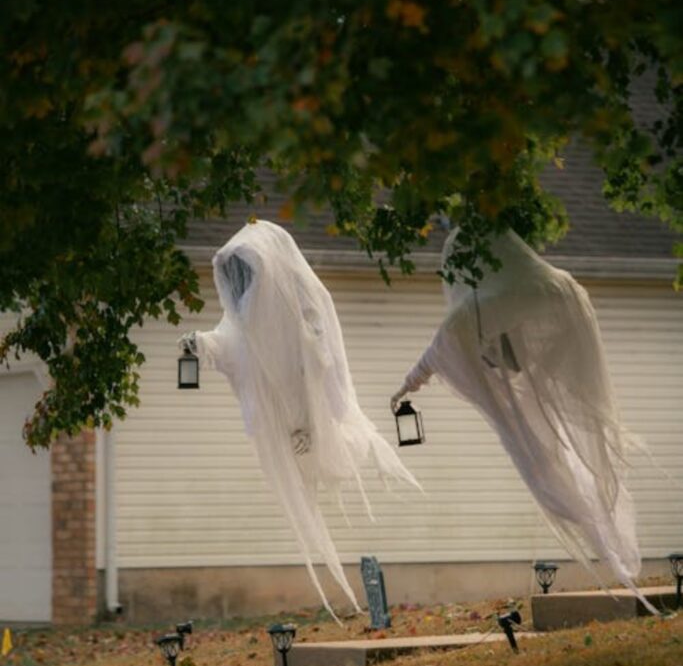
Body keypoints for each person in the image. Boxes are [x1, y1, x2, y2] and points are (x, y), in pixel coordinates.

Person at [390, 227, 655, 608]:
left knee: (552, 451)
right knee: (548, 449)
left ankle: (602, 529)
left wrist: (405, 388)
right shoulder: (556, 288)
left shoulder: (478, 311)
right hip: (519, 338)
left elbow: (438, 350)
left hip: (513, 344)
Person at [182, 218, 420, 619]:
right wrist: (198, 345)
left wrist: (313, 405)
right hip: (279, 423)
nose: (241, 282)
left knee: (328, 449)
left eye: (247, 272)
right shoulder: (239, 322)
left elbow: (322, 366)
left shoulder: (296, 314)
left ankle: (320, 441)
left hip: (307, 417)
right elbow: (228, 347)